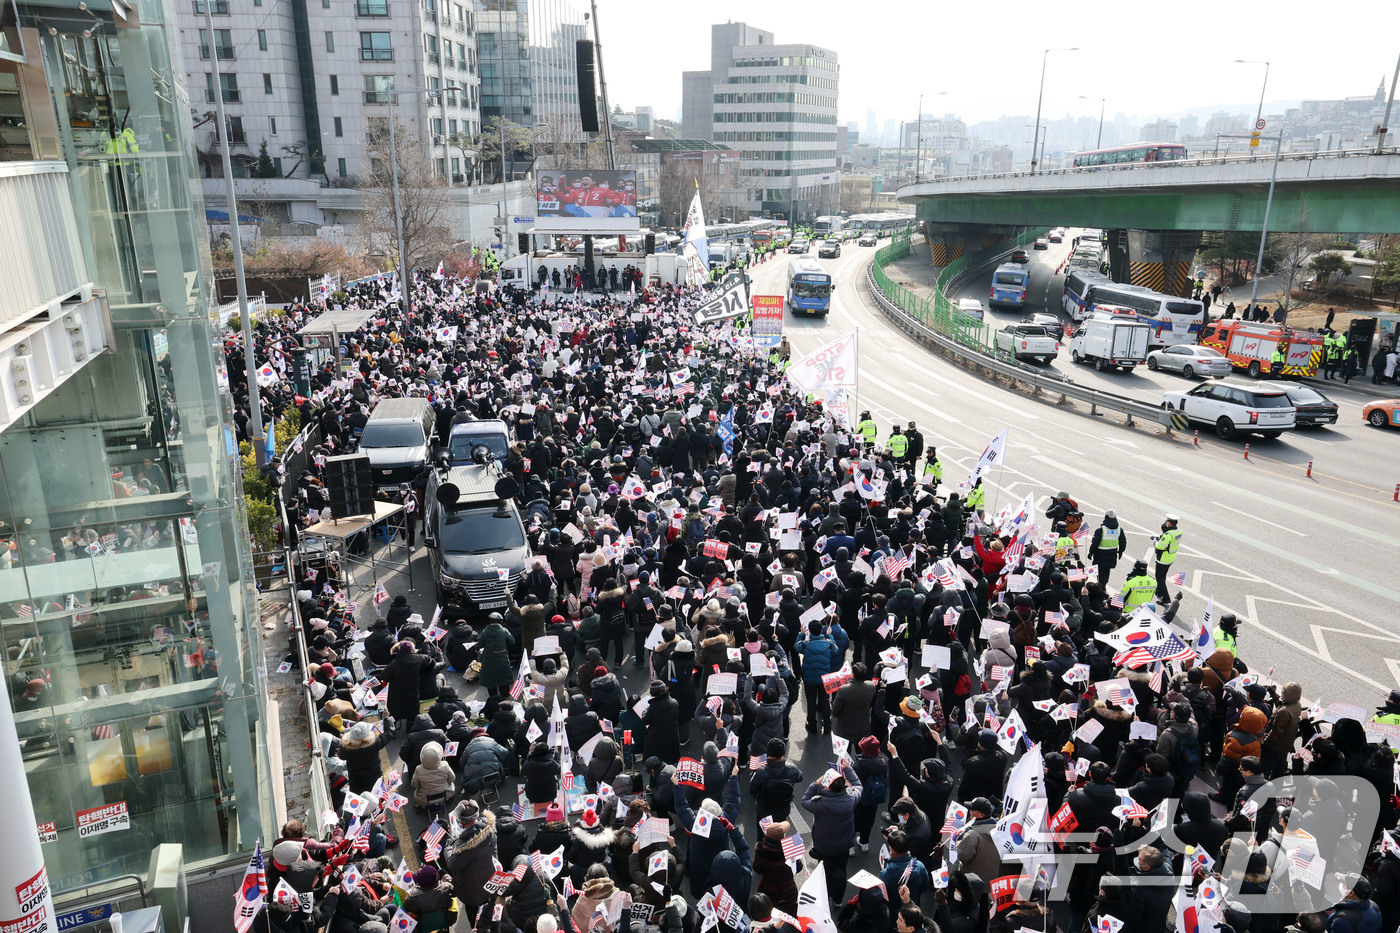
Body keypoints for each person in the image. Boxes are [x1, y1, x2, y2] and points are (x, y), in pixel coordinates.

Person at [1089, 512, 1127, 587]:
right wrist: (1120, 552)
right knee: (1106, 571)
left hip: (1100, 555)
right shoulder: (1119, 530)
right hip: (1112, 555)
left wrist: (1091, 552)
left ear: (1106, 517)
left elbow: (1095, 543)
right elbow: (1123, 542)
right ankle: (1103, 585)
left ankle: (1101, 588)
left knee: (1100, 573)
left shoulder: (1101, 530)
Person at [1153, 514, 1181, 605]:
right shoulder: (1178, 532)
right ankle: (1159, 591)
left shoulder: (1168, 535)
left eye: (1167, 521)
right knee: (1162, 576)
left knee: (1159, 578)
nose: (1165, 522)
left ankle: (1166, 598)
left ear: (1170, 523)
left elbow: (1160, 546)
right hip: (1171, 557)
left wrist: (1155, 541)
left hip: (1163, 559)